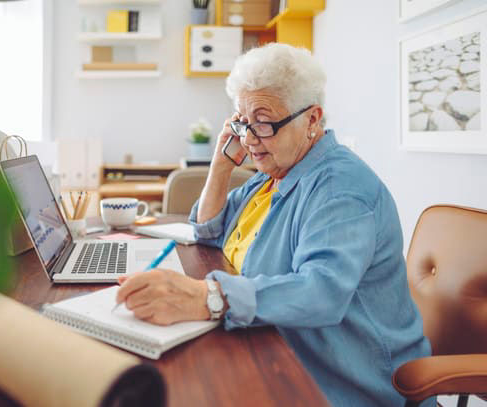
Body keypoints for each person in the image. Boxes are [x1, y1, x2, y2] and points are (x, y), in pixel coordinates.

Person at [116, 43, 432, 406]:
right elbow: (208, 229)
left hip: (340, 380)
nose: (249, 139)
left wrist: (210, 298)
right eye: (242, 123)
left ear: (312, 120)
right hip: (276, 348)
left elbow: (321, 292)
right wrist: (221, 165)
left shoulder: (339, 190)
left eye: (263, 123)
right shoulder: (273, 174)